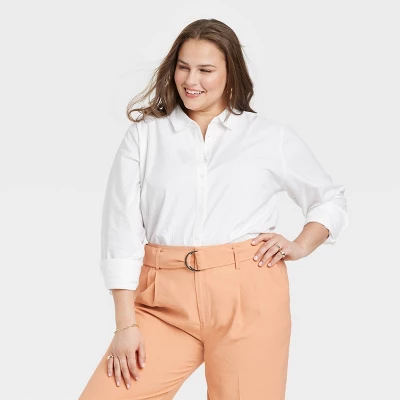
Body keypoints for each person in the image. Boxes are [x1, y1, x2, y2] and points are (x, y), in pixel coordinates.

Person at [78, 18, 348, 400]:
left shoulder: (269, 137)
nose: (191, 80)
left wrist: (302, 244)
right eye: (183, 67)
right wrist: (125, 325)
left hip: (249, 299)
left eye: (205, 70)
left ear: (230, 73)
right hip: (162, 300)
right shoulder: (146, 136)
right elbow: (120, 230)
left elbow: (329, 199)